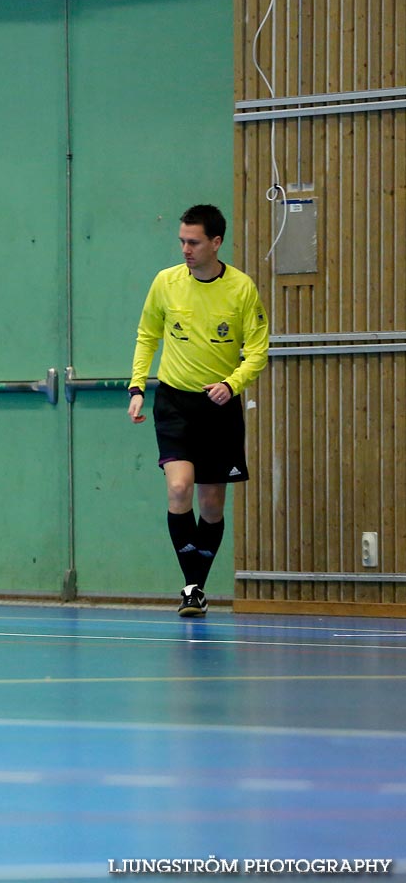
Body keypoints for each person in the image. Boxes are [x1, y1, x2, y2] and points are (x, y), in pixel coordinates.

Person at [128, 204, 269, 618]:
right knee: (178, 488)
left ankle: (196, 587)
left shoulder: (241, 289)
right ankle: (191, 586)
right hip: (174, 401)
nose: (185, 249)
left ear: (216, 243)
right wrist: (137, 386)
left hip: (218, 405)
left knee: (211, 507)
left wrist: (232, 384)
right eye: (181, 242)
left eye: (193, 242)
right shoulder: (165, 283)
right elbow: (147, 334)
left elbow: (258, 349)